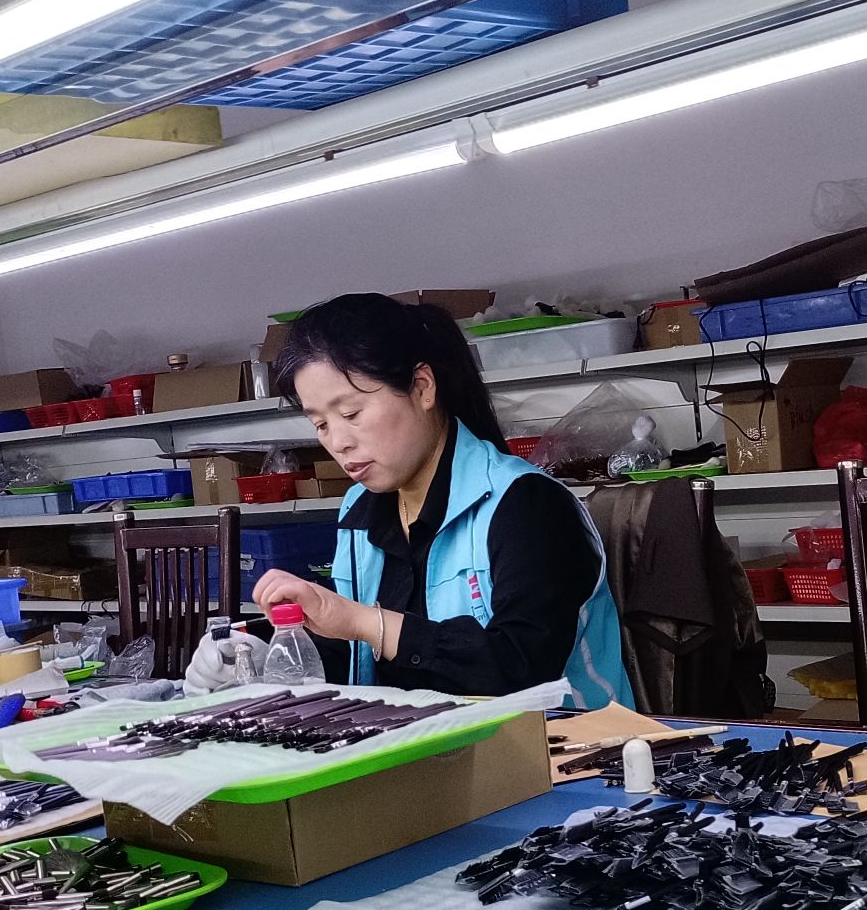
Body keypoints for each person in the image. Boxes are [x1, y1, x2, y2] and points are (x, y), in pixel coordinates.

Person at [185, 293, 634, 707]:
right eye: (320, 424)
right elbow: (354, 659)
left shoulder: (527, 504)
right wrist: (264, 651)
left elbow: (521, 670)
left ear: (422, 387)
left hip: (566, 750)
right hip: (425, 748)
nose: (338, 442)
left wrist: (367, 622)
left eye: (351, 413)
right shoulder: (360, 510)